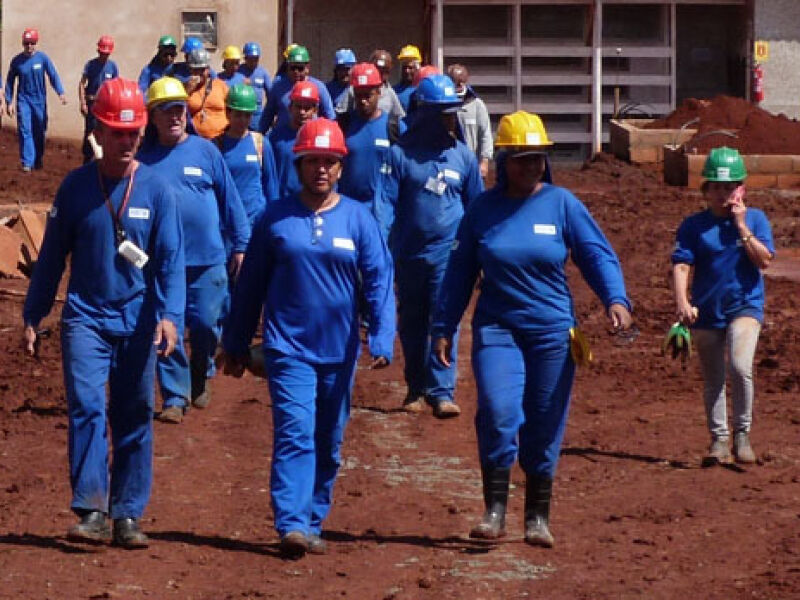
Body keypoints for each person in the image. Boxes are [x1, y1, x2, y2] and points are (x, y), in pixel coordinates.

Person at [431, 111, 632, 547]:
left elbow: (596, 255)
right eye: (521, 158)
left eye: (537, 158)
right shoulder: (482, 210)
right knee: (500, 412)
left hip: (552, 334)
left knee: (544, 423)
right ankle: (495, 511)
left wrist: (615, 299)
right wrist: (443, 325)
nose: (530, 166)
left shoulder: (562, 204)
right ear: (503, 160)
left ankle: (537, 516)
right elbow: (459, 271)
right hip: (498, 329)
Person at [220, 118, 395, 558]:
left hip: (339, 349)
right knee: (296, 432)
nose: (321, 169)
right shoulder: (275, 218)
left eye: (329, 162)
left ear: (340, 167)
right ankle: (292, 523)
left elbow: (378, 279)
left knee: (329, 440)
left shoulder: (359, 218)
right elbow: (251, 285)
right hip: (287, 347)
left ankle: (313, 518)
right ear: (298, 164)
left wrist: (382, 336)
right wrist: (236, 341)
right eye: (312, 161)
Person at [22, 78, 185, 548]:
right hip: (85, 320)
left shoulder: (157, 190)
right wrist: (33, 315)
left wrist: (169, 315)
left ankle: (127, 514)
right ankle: (91, 508)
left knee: (134, 412)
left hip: (138, 321)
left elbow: (170, 262)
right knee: (89, 409)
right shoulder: (74, 188)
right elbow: (52, 257)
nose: (128, 140)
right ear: (100, 129)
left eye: (134, 132)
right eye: (119, 132)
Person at [138, 77, 249, 424]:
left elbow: (231, 202)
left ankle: (201, 371)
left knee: (203, 325)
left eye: (179, 110)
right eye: (166, 111)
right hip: (162, 264)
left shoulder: (205, 151)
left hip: (208, 258)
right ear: (152, 117)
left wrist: (242, 244)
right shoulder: (142, 161)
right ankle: (175, 396)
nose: (174, 117)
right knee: (166, 326)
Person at [385, 74, 483, 418]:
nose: (450, 119)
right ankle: (415, 386)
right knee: (412, 321)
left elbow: (478, 209)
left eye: (452, 112)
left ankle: (442, 390)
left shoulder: (463, 158)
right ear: (424, 113)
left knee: (444, 320)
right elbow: (385, 205)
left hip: (449, 254)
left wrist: (481, 256)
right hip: (409, 253)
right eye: (443, 112)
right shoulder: (400, 156)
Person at [671, 147, 774, 466]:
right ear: (706, 190)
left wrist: (742, 228)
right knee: (714, 377)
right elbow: (682, 265)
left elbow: (765, 260)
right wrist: (682, 302)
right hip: (706, 311)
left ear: (741, 189)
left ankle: (742, 434)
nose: (723, 193)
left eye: (729, 187)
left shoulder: (756, 219)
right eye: (716, 187)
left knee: (741, 367)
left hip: (745, 307)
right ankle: (719, 439)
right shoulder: (693, 226)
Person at [338, 62, 396, 239]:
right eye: (359, 95)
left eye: (368, 95)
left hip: (382, 214)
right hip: (348, 211)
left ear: (379, 91)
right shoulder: (343, 125)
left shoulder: (393, 127)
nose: (363, 100)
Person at [214, 83, 278, 226]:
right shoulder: (217, 146)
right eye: (238, 115)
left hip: (256, 221)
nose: (242, 120)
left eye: (247, 115)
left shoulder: (260, 143)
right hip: (227, 223)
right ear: (228, 113)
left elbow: (271, 185)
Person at [5, 28, 67, 172]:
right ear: (23, 43)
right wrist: (9, 102)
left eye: (32, 43)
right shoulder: (17, 61)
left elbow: (53, 75)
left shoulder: (43, 58)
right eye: (26, 43)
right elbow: (9, 82)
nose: (29, 46)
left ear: (36, 43)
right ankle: (27, 162)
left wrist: (60, 92)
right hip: (23, 100)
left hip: (39, 101)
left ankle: (37, 158)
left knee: (39, 131)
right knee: (25, 130)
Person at [258, 44, 334, 133]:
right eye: (293, 68)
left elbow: (330, 118)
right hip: (282, 140)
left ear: (307, 68)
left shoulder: (319, 87)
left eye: (300, 68)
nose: (296, 72)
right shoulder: (278, 87)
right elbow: (267, 116)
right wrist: (259, 135)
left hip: (309, 137)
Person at [268, 80, 319, 201]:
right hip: (282, 203)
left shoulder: (320, 138)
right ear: (290, 107)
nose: (302, 112)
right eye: (298, 106)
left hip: (312, 203)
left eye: (307, 108)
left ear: (315, 110)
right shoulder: (275, 137)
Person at [336, 49, 405, 129]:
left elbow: (400, 118)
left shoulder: (390, 93)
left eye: (384, 71)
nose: (380, 73)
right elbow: (341, 114)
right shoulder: (354, 89)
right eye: (377, 69)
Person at [447, 64, 492, 179]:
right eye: (456, 82)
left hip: (472, 164)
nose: (459, 85)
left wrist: (485, 161)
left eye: (462, 81)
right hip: (448, 163)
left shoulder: (477, 105)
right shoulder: (444, 104)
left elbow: (485, 134)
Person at [79, 35, 119, 163]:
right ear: (98, 51)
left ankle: (102, 159)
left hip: (106, 106)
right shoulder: (90, 65)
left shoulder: (113, 67)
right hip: (92, 104)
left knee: (105, 132)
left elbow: (116, 85)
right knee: (90, 132)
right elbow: (81, 84)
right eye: (102, 53)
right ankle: (87, 159)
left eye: (107, 53)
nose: (104, 56)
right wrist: (83, 103)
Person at [185, 47, 229, 139]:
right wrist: (187, 91)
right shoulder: (184, 88)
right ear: (190, 70)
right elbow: (179, 111)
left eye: (202, 69)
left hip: (220, 139)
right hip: (196, 139)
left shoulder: (220, 85)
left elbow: (232, 110)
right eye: (196, 69)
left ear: (208, 69)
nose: (199, 73)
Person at [238, 42, 272, 131]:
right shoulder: (239, 71)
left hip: (258, 115)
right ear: (245, 58)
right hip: (241, 112)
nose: (253, 62)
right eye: (251, 59)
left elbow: (271, 94)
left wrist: (269, 113)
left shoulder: (263, 73)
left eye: (256, 59)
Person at [393, 45, 421, 113]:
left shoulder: (422, 89)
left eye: (410, 68)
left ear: (417, 68)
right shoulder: (394, 91)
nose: (407, 71)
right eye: (404, 67)